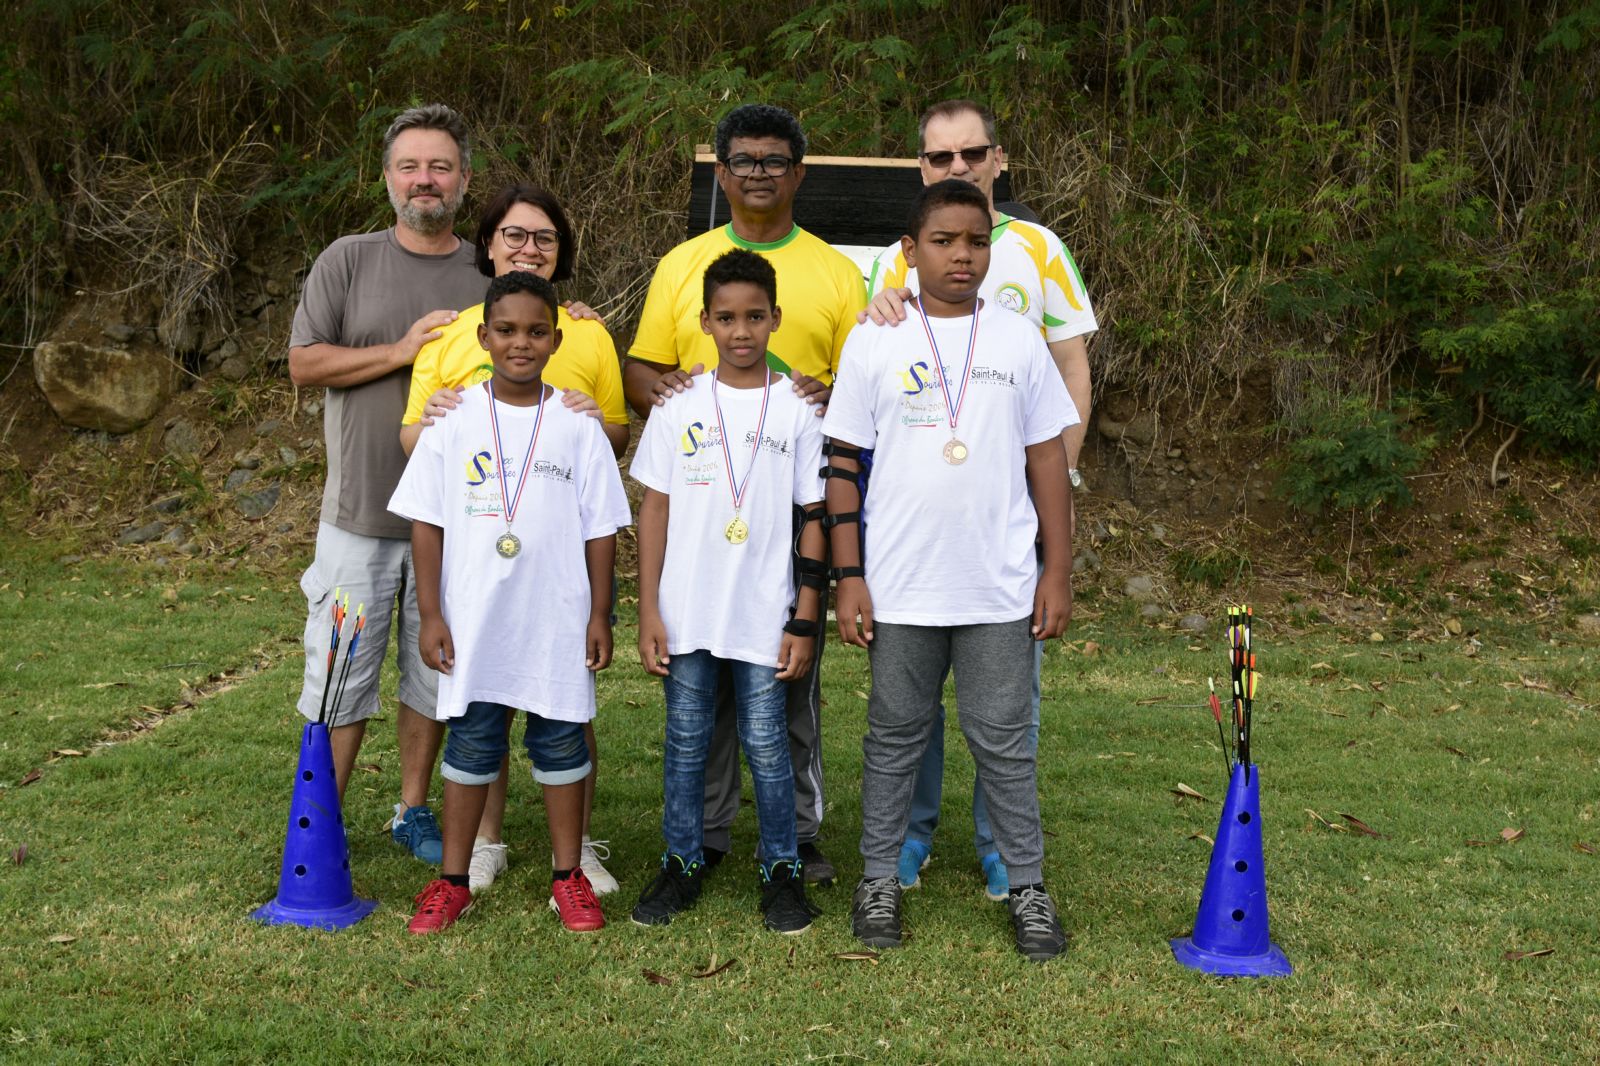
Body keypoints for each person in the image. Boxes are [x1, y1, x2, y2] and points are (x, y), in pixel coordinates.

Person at [822, 179, 1077, 962]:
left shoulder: (1017, 340)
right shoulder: (875, 337)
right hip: (900, 582)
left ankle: (1028, 887)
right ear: (910, 251)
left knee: (1004, 738)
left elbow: (1046, 462)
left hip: (997, 583)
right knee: (895, 733)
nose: (961, 255)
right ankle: (877, 879)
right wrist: (848, 575)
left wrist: (1057, 570)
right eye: (943, 241)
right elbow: (842, 463)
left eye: (974, 241)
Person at [863, 99, 1098, 901]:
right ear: (920, 168)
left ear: (1001, 159)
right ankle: (910, 840)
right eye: (938, 158)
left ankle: (1004, 850)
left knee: (1007, 704)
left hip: (1011, 513)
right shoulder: (894, 261)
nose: (956, 168)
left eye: (971, 154)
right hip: (917, 534)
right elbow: (873, 366)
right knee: (909, 699)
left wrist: (1049, 489)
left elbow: (1069, 370)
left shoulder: (1038, 249)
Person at [624, 103, 865, 884]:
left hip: (781, 517)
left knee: (786, 705)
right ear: (720, 172)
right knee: (700, 714)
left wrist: (827, 395)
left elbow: (860, 387)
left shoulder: (835, 271)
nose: (758, 173)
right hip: (702, 513)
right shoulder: (682, 262)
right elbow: (641, 372)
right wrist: (664, 386)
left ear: (798, 172)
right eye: (744, 160)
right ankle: (706, 837)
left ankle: (792, 841)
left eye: (774, 160)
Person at [388, 271, 631, 934]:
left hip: (554, 615)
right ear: (483, 337)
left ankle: (568, 877)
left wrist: (600, 613)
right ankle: (452, 880)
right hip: (474, 617)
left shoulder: (577, 426)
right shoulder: (453, 418)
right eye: (507, 331)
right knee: (471, 741)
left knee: (560, 741)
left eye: (535, 331)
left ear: (556, 338)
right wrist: (433, 612)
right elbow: (426, 522)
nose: (520, 343)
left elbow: (601, 527)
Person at [287, 103, 485, 864]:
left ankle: (411, 809)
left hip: (458, 521)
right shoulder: (349, 259)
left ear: (464, 179)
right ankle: (319, 819)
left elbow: (536, 342)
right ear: (387, 177)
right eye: (410, 166)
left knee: (432, 676)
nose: (424, 180)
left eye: (440, 166)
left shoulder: (488, 271)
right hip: (359, 516)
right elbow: (305, 363)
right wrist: (402, 351)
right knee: (340, 673)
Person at [629, 250, 826, 934]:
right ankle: (681, 861)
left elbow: (815, 518)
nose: (741, 331)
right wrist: (648, 608)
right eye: (726, 318)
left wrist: (804, 615)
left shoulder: (798, 410)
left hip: (764, 615)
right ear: (705, 322)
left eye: (754, 317)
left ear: (776, 318)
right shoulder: (678, 403)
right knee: (685, 742)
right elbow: (653, 508)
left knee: (768, 746)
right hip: (686, 612)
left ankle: (782, 869)